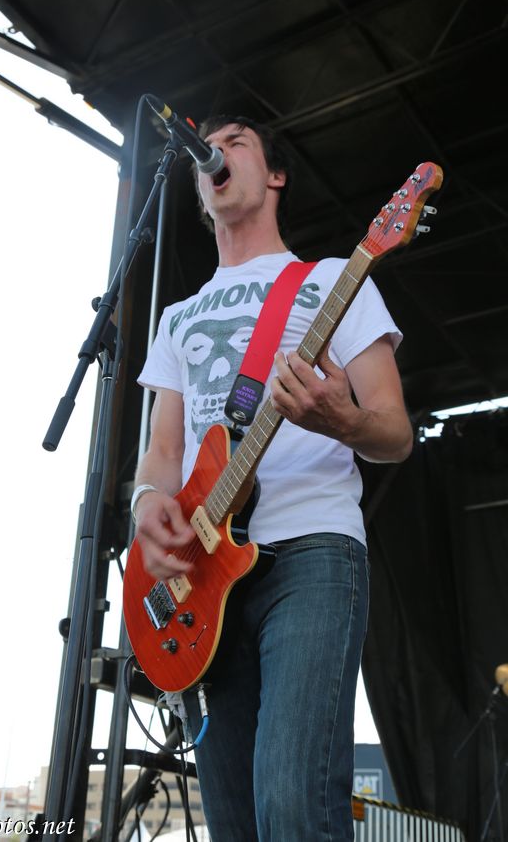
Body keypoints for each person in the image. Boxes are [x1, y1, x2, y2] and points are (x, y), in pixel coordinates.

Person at [130, 115, 413, 841]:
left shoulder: (331, 280)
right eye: (207, 149)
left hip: (310, 551)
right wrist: (147, 503)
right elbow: (163, 451)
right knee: (234, 823)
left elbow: (394, 432)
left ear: (275, 174)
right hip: (206, 577)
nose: (216, 154)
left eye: (237, 142)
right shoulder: (177, 317)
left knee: (293, 808)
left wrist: (340, 420)